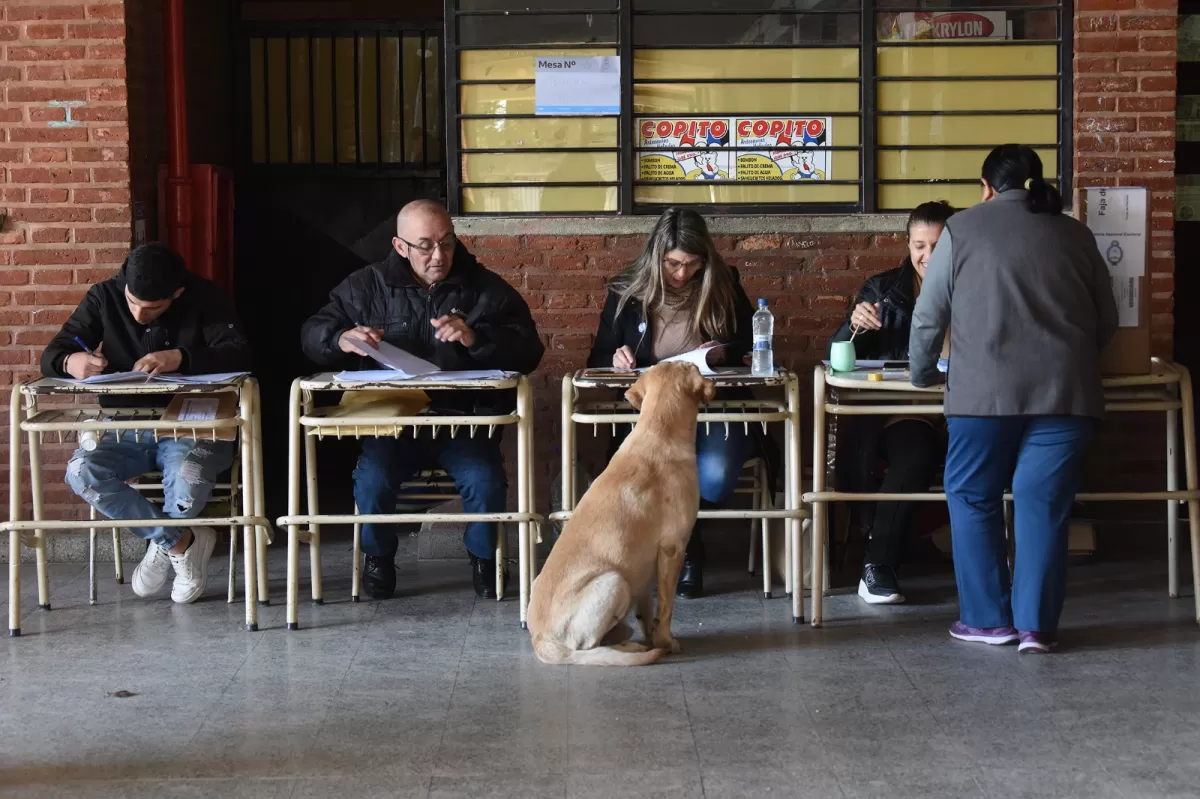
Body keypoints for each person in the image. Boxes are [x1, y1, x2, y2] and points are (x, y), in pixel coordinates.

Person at [909, 144, 1118, 653]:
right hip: (1067, 395)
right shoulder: (1077, 233)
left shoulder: (962, 229)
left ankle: (987, 621)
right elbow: (1108, 319)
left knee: (972, 494)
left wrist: (921, 374)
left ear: (985, 186)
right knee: (1042, 503)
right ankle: (1036, 629)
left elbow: (929, 316)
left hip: (982, 398)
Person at [301, 199, 544, 600]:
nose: (439, 256)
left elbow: (529, 351)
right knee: (372, 483)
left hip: (464, 422)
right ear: (400, 247)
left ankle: (486, 558)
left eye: (447, 244)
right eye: (425, 245)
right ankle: (378, 558)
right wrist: (339, 340)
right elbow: (313, 332)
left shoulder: (484, 288)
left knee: (485, 482)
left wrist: (475, 338)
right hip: (392, 423)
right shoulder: (366, 286)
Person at [41, 242, 252, 604]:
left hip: (193, 424)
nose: (139, 314)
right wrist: (72, 362)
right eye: (133, 302)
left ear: (177, 294)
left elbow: (240, 352)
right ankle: (180, 542)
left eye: (152, 307)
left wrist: (181, 357)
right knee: (81, 472)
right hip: (123, 425)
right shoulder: (104, 296)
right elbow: (53, 353)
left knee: (188, 476)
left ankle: (164, 543)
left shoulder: (204, 297)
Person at [588, 207, 771, 599]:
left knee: (716, 479)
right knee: (650, 476)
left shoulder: (722, 281)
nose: (682, 274)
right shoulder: (626, 290)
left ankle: (682, 545)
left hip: (716, 409)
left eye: (692, 264)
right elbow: (598, 356)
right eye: (673, 264)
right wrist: (616, 359)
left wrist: (721, 353)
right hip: (652, 416)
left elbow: (744, 344)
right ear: (656, 257)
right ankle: (689, 553)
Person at [829, 201, 954, 605]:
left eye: (937, 245)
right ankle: (878, 565)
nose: (927, 257)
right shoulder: (884, 289)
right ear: (907, 244)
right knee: (914, 452)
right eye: (919, 245)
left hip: (967, 406)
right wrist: (855, 325)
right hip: (906, 411)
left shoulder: (978, 284)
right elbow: (838, 356)